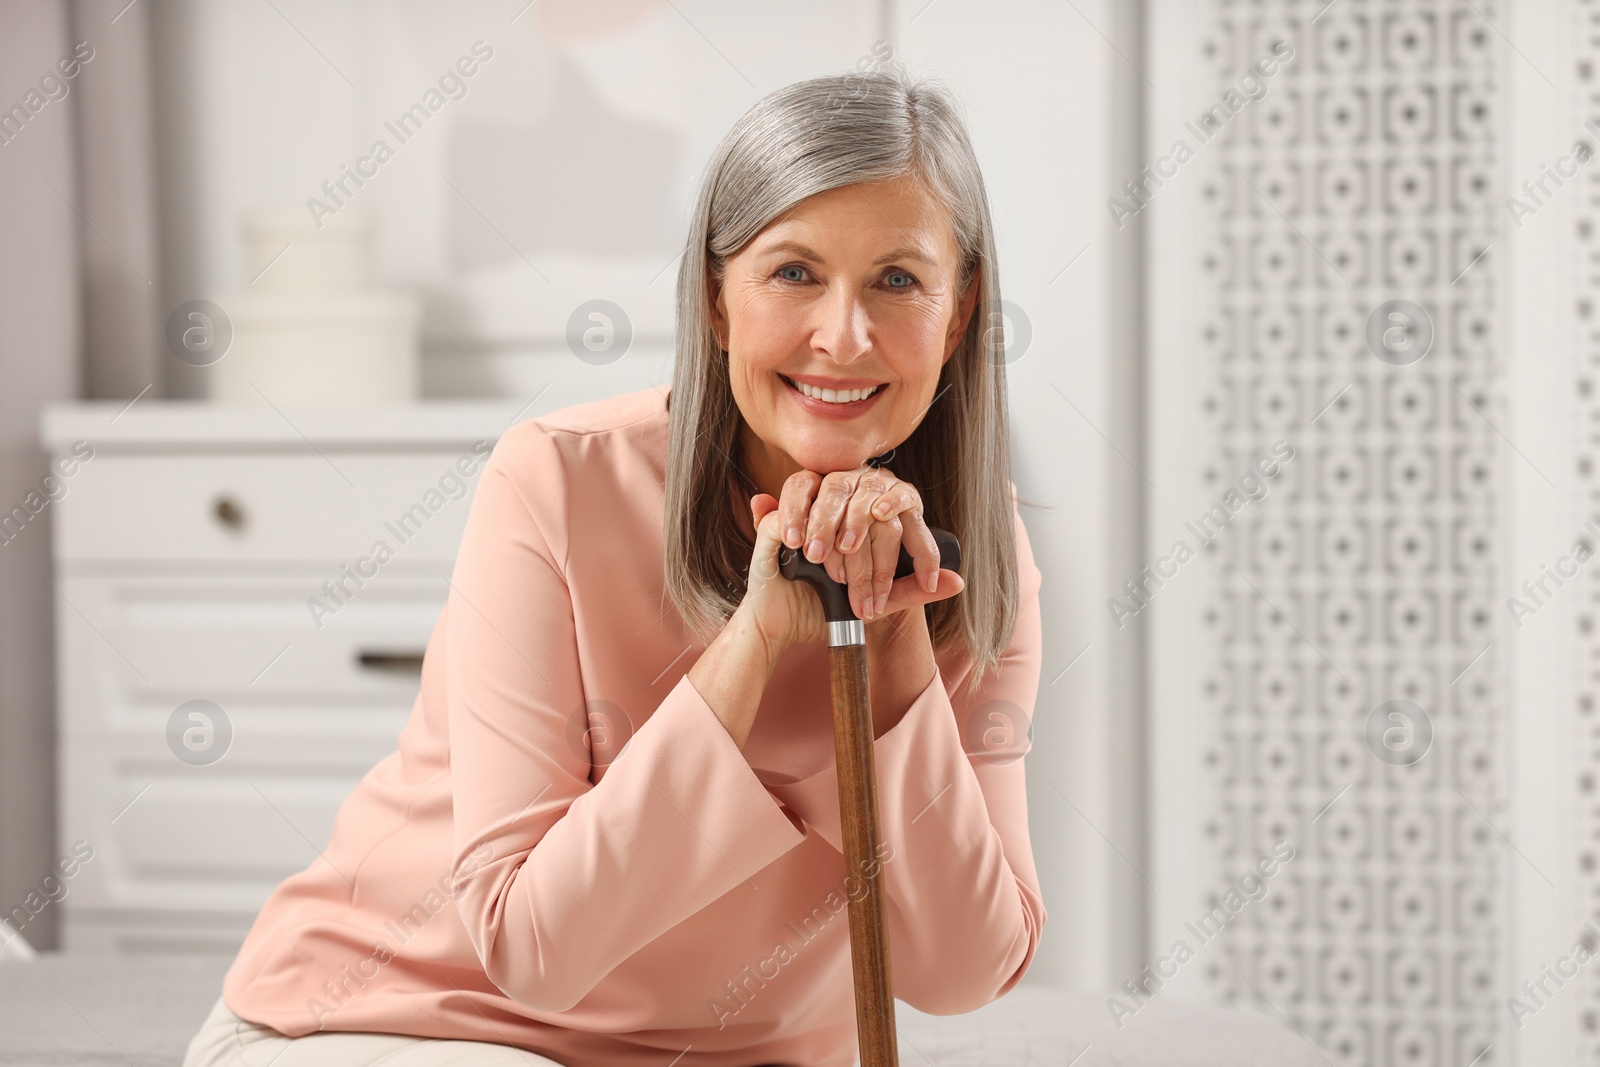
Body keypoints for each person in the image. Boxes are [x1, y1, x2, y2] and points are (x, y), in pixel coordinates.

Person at [183, 60, 1046, 1067]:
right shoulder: (554, 480)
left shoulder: (971, 556)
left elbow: (958, 970)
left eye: (897, 279)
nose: (842, 335)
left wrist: (891, 647)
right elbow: (532, 949)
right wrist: (754, 644)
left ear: (962, 309)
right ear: (718, 299)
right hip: (400, 1019)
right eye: (793, 272)